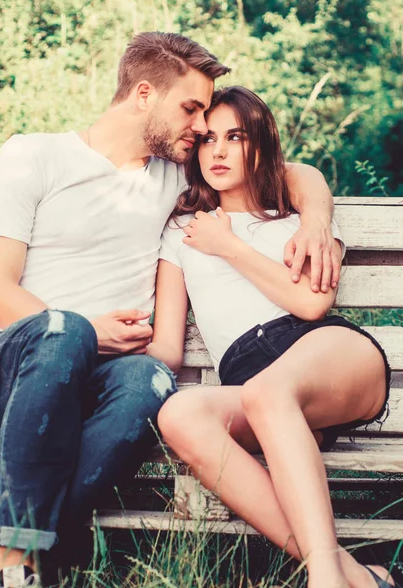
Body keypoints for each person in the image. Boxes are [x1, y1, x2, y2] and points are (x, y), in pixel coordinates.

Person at [0, 34, 341, 588]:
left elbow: (291, 173)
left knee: (151, 378)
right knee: (63, 331)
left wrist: (317, 220)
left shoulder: (175, 173)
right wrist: (86, 333)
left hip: (112, 383)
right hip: (21, 371)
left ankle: (31, 566)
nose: (199, 129)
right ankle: (15, 556)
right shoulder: (33, 155)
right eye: (189, 109)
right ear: (142, 94)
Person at [151, 86, 394, 588]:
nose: (217, 151)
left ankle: (322, 579)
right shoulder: (182, 229)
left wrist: (229, 246)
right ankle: (354, 576)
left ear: (258, 143)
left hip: (328, 354)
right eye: (208, 139)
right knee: (178, 414)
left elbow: (310, 303)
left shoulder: (298, 218)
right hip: (255, 381)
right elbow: (168, 346)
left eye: (234, 137)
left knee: (268, 391)